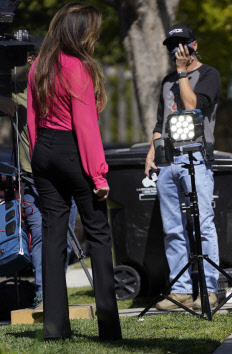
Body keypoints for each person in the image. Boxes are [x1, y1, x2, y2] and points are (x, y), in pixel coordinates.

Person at [26, 2, 121, 340]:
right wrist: (98, 175)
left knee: (53, 236)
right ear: (81, 32)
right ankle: (109, 328)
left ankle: (54, 328)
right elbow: (85, 127)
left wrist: (40, 159)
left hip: (44, 153)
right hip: (72, 151)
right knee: (98, 234)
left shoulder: (39, 64)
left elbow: (32, 120)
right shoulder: (77, 67)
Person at [144, 24, 221, 311]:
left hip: (197, 158)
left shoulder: (209, 75)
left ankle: (209, 289)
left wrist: (183, 73)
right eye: (171, 46)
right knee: (173, 228)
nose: (175, 51)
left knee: (202, 225)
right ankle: (181, 290)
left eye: (181, 45)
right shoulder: (167, 81)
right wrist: (152, 150)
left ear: (194, 46)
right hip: (167, 160)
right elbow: (160, 121)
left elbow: (192, 108)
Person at [0, 43, 78, 312]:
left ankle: (57, 292)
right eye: (35, 58)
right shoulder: (20, 91)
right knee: (41, 236)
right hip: (33, 179)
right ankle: (45, 295)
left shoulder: (64, 86)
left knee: (63, 239)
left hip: (66, 177)